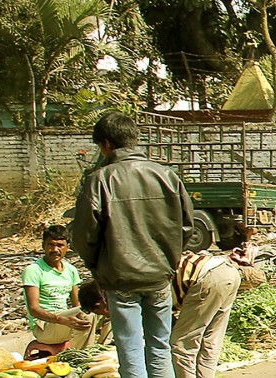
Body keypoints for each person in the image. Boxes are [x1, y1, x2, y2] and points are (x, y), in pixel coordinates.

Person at [72, 112, 193, 378]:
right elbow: (186, 227)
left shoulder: (100, 180)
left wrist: (97, 268)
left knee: (130, 348)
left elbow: (84, 236)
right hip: (160, 277)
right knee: (159, 345)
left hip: (120, 278)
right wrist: (169, 262)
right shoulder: (167, 176)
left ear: (105, 144)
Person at [170, 248, 245, 378]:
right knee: (211, 340)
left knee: (182, 343)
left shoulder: (150, 287)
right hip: (228, 271)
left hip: (207, 277)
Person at [22, 226, 90, 348]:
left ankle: (100, 351)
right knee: (88, 313)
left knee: (100, 310)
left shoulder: (70, 270)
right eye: (50, 245)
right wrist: (61, 320)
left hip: (64, 322)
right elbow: (33, 309)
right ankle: (84, 354)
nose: (54, 249)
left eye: (59, 245)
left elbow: (77, 303)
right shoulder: (33, 270)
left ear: (67, 247)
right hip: (44, 327)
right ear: (43, 246)